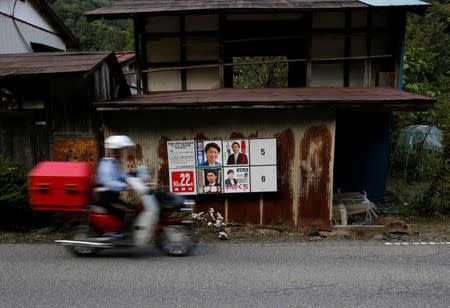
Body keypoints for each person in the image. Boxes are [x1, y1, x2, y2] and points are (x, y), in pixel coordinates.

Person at [96, 135, 152, 239]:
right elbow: (109, 182)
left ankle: (123, 232)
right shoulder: (107, 163)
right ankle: (119, 234)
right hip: (106, 197)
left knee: (132, 208)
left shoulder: (113, 162)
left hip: (112, 196)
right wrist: (126, 186)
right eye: (119, 151)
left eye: (121, 151)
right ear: (114, 151)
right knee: (129, 210)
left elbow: (120, 175)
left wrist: (134, 178)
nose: (121, 153)